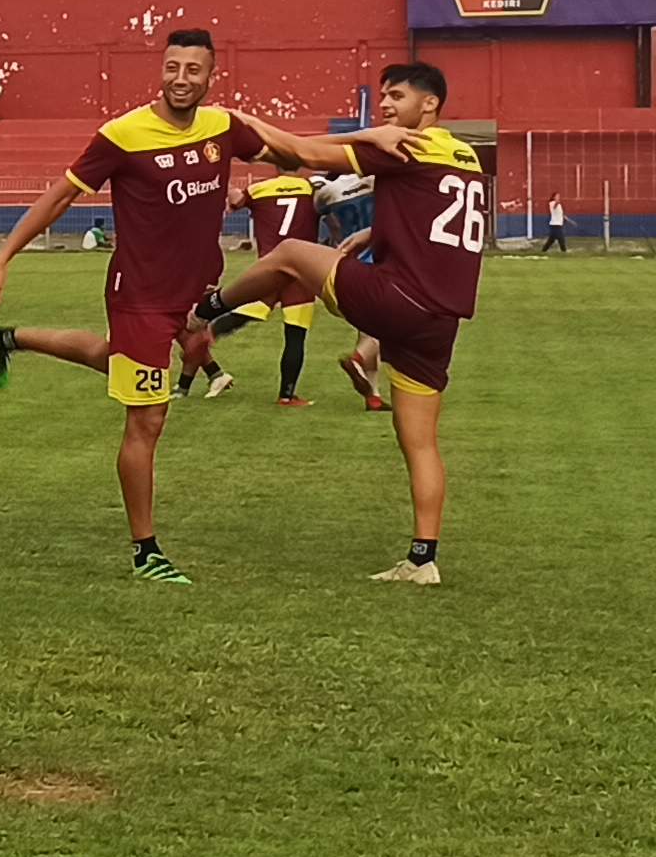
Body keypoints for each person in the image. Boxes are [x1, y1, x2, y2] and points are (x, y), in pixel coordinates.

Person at [0, 28, 276, 584]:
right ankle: (146, 553)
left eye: (193, 70)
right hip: (140, 296)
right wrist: (2, 257)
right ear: (161, 70)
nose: (181, 79)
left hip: (196, 290)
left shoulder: (222, 127)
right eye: (172, 68)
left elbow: (287, 150)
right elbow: (59, 195)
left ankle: (4, 338)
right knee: (148, 418)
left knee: (118, 359)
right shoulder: (123, 135)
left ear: (212, 76)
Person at [191, 62, 491, 585]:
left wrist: (230, 117)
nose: (388, 107)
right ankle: (423, 560)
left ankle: (205, 311)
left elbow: (300, 155)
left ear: (430, 105)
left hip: (398, 298)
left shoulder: (402, 144)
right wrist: (377, 231)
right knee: (418, 440)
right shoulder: (464, 152)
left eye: (398, 96)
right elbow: (439, 212)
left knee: (288, 253)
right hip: (442, 318)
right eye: (384, 98)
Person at [209, 168, 343, 406]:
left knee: (240, 315)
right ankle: (286, 395)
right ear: (299, 166)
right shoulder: (311, 188)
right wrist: (334, 242)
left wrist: (226, 184)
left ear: (275, 166)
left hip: (267, 271)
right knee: (295, 336)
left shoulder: (260, 189)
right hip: (300, 273)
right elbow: (332, 218)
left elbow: (235, 201)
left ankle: (202, 343)